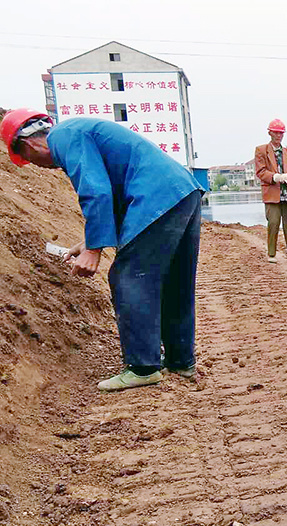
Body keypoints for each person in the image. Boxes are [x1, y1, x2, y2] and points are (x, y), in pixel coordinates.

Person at [1, 109, 203, 391]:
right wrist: (88, 242)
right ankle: (182, 361)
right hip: (182, 193)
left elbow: (96, 192)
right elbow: (116, 193)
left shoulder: (64, 136)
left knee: (128, 276)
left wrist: (94, 251)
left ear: (29, 143)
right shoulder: (79, 131)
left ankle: (143, 367)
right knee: (174, 280)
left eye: (28, 160)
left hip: (156, 197)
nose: (36, 166)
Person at [255, 119, 287, 263]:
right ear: (270, 132)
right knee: (274, 223)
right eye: (276, 132)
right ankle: (271, 254)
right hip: (272, 194)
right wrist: (273, 177)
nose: (278, 136)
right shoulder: (261, 150)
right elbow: (260, 171)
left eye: (281, 133)